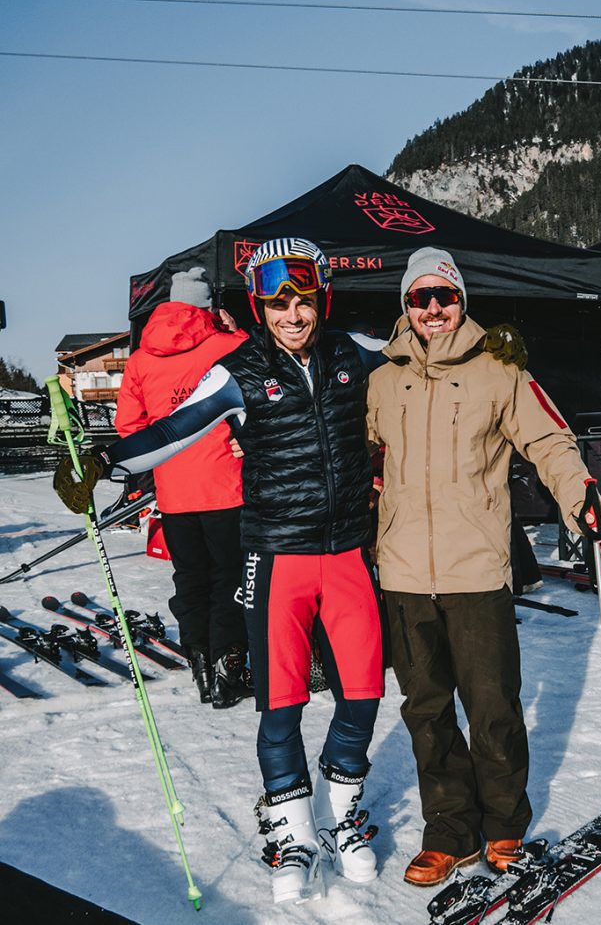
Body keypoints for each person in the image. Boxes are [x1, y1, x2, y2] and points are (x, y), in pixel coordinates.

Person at [57, 238, 386, 905]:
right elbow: (174, 428)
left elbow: (420, 369)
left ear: (321, 295)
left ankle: (343, 815)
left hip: (347, 550)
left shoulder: (354, 354)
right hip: (277, 556)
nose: (292, 312)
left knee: (362, 695)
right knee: (281, 703)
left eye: (302, 297)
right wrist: (106, 463)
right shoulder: (237, 370)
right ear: (259, 306)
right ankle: (292, 829)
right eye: (277, 300)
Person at [366, 246, 601, 887]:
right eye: (419, 297)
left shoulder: (498, 370)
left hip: (476, 568)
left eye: (443, 296)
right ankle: (449, 831)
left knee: (491, 705)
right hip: (401, 570)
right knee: (425, 709)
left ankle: (504, 825)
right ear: (405, 305)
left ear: (461, 301)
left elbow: (550, 440)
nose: (432, 309)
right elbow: (355, 452)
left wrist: (580, 496)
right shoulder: (381, 377)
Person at [114, 267, 250, 707]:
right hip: (227, 488)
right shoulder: (230, 346)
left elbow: (128, 428)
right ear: (208, 306)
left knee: (190, 579)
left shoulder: (139, 358)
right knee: (231, 577)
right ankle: (229, 670)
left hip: (174, 494)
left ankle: (201, 668)